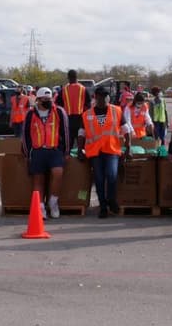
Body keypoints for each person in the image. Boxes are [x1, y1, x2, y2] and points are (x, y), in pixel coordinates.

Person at [79, 87, 129, 218]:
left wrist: (128, 148)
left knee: (111, 175)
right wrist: (80, 149)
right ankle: (103, 207)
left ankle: (111, 200)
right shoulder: (87, 114)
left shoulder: (116, 111)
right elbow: (81, 133)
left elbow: (126, 130)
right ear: (96, 97)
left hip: (111, 150)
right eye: (101, 96)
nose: (105, 98)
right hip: (95, 152)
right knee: (99, 179)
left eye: (106, 96)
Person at [22, 86, 70, 219]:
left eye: (49, 99)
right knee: (38, 180)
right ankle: (41, 207)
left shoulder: (59, 111)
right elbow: (25, 135)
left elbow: (65, 132)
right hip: (37, 151)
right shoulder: (31, 114)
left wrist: (66, 151)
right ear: (38, 100)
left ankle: (53, 202)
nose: (48, 101)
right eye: (44, 99)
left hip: (54, 150)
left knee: (58, 173)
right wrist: (27, 153)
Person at [59, 70, 88, 149]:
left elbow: (58, 105)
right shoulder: (83, 89)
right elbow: (88, 105)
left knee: (69, 143)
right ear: (76, 77)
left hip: (67, 119)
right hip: (80, 119)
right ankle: (81, 156)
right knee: (81, 141)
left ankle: (69, 158)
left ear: (68, 78)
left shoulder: (63, 90)